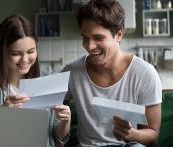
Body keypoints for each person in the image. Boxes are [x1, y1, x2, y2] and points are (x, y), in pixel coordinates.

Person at [62, 0, 162, 147]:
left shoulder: (145, 74)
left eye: (98, 38)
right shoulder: (73, 71)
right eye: (85, 38)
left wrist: (131, 134)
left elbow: (152, 136)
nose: (89, 46)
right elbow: (50, 113)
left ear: (119, 35)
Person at [0, 14, 70, 147]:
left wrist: (65, 121)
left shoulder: (47, 79)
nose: (25, 59)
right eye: (16, 53)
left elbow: (57, 137)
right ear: (2, 52)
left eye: (31, 51)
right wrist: (3, 112)